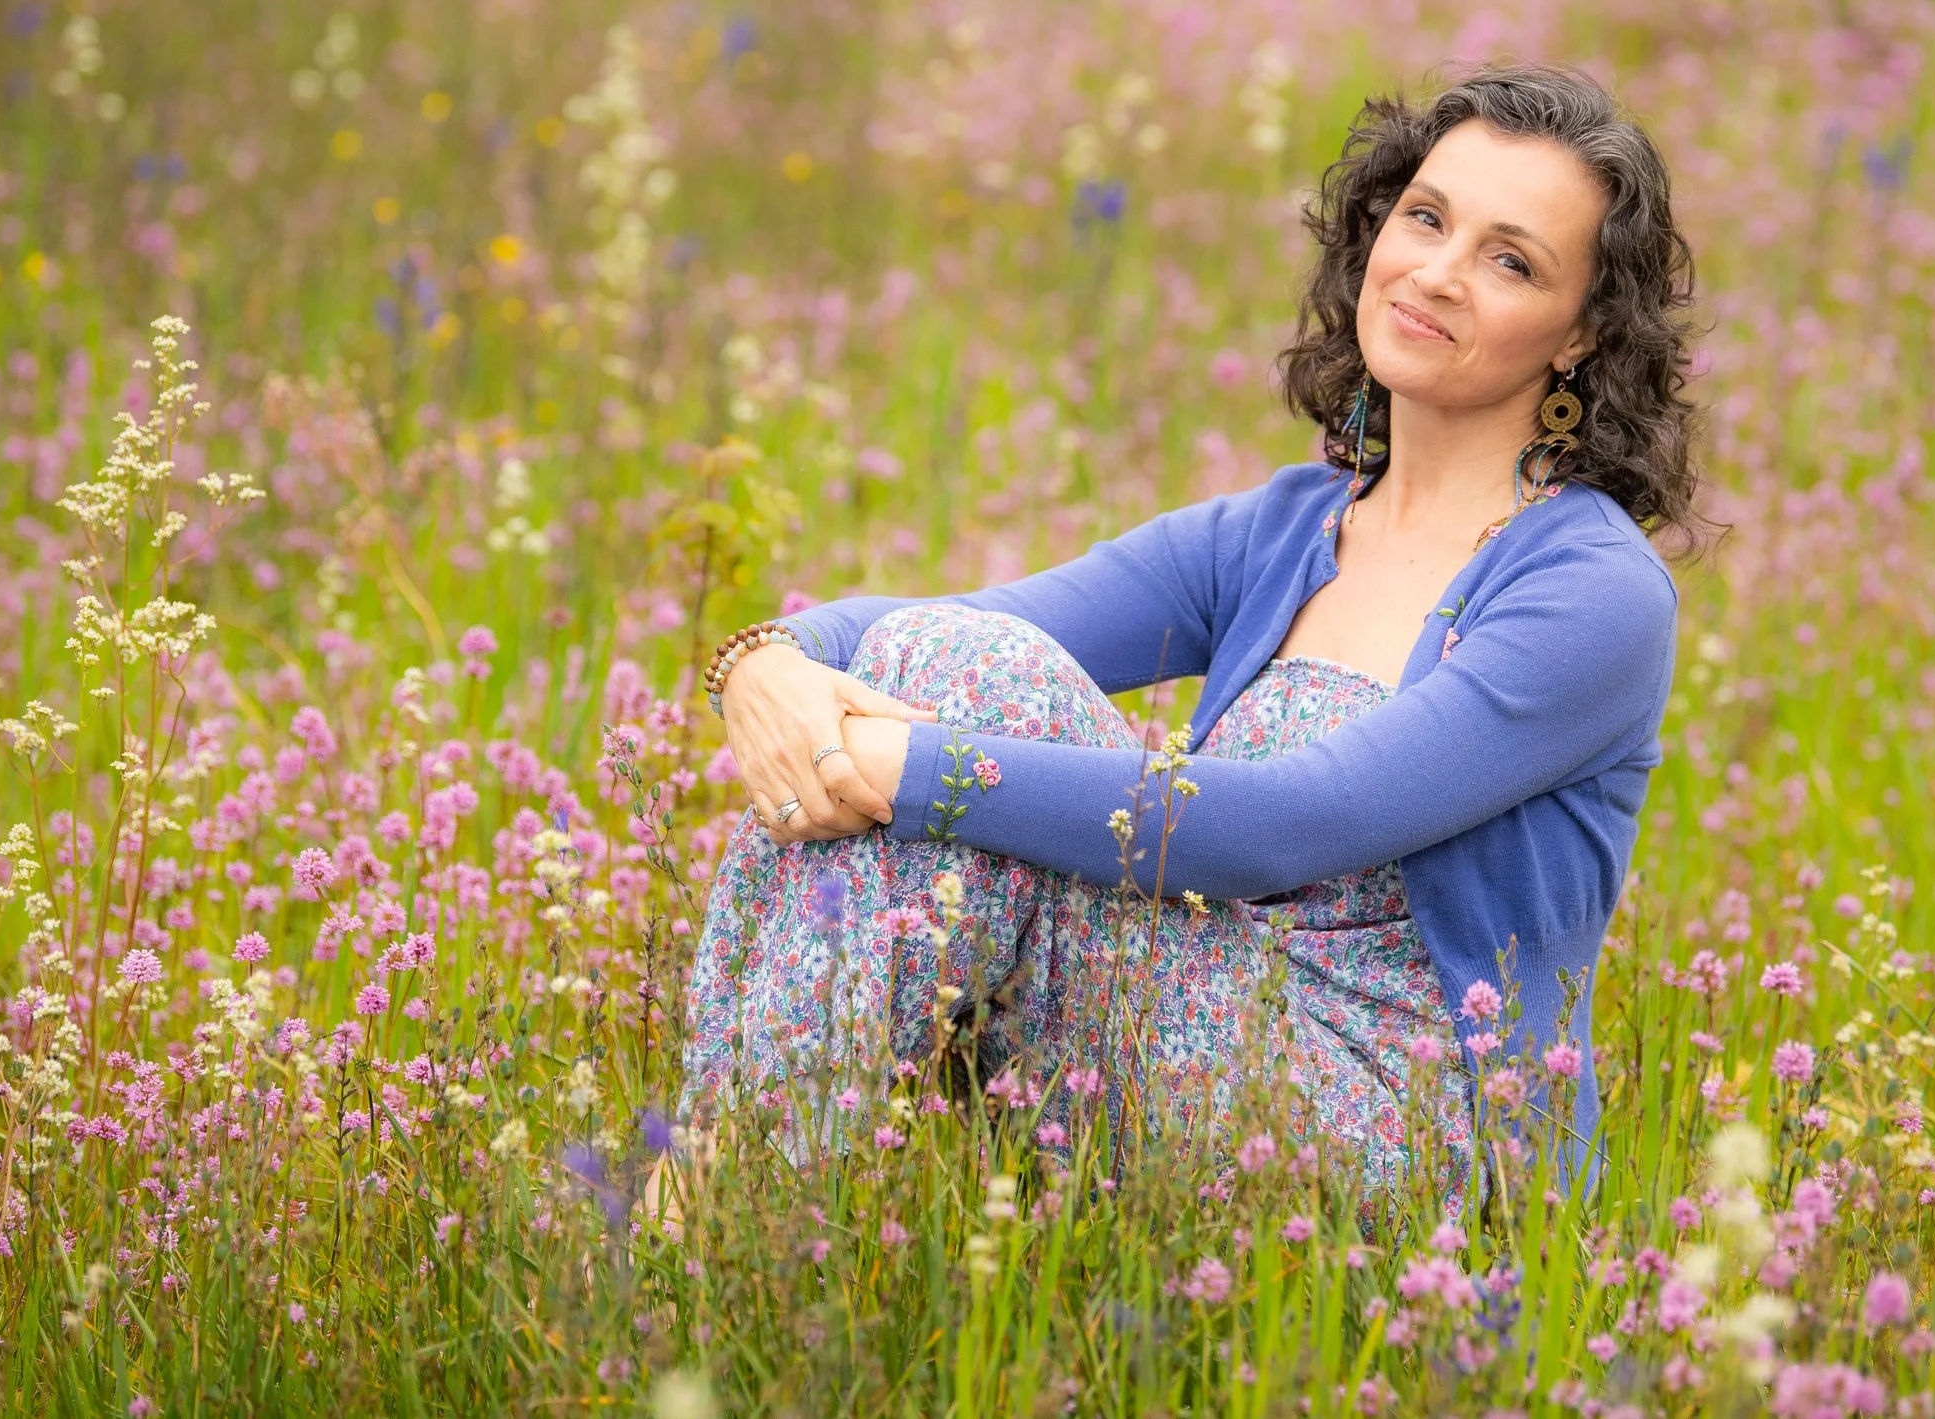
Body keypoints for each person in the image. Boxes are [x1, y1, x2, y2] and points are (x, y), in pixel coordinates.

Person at [682, 64, 1702, 1198]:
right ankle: (739, 1190)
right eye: (1426, 217)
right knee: (941, 662)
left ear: (1579, 335)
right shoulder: (1284, 527)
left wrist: (891, 765)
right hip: (1186, 1024)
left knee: (943, 710)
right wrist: (765, 659)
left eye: (1510, 260)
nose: (1438, 272)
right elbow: (936, 631)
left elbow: (1283, 825)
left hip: (1396, 1123)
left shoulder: (1591, 587)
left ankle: (726, 1198)